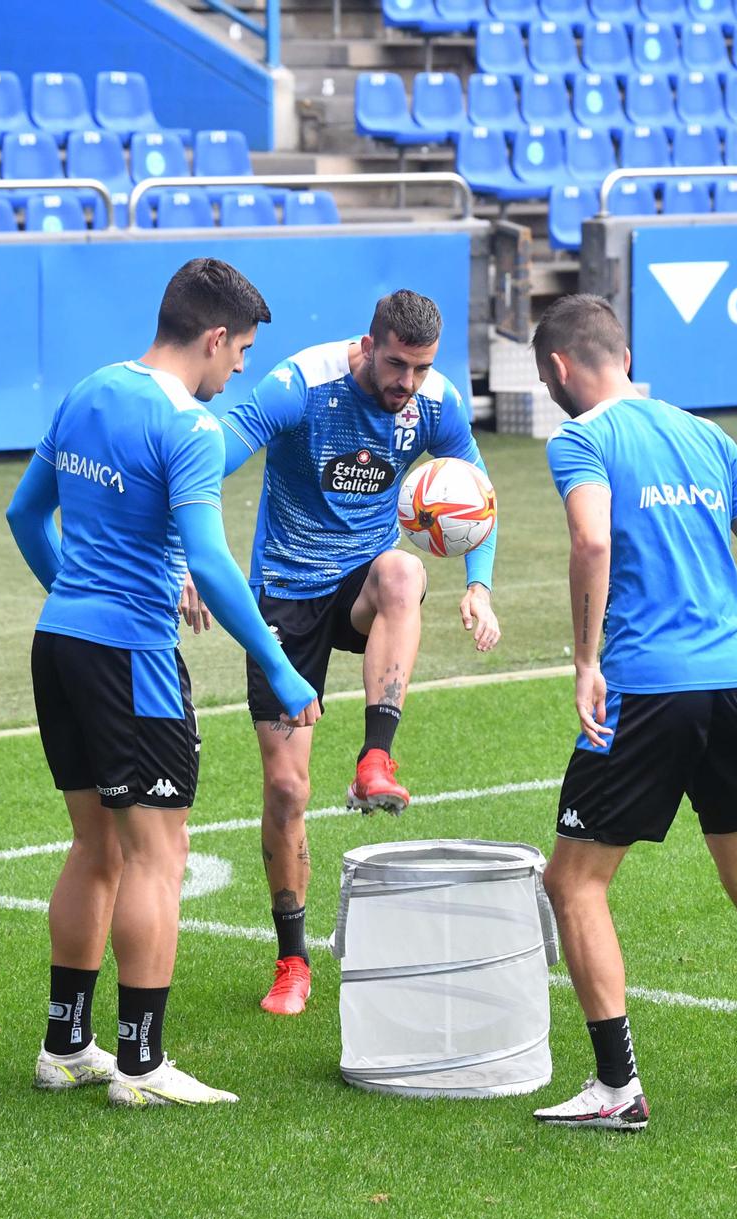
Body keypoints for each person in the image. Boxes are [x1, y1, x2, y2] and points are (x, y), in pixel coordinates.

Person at [4, 258, 321, 1109]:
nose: (243, 369)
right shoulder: (190, 429)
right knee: (158, 853)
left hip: (61, 643)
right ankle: (141, 1064)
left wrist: (79, 594)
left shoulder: (89, 390)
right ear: (214, 338)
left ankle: (67, 1045)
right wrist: (281, 666)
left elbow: (24, 515)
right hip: (132, 660)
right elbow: (213, 565)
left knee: (94, 847)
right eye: (243, 350)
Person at [525, 294, 737, 1133]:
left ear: (562, 368)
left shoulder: (580, 439)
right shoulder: (708, 436)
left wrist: (585, 661)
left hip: (645, 687)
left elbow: (593, 542)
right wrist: (730, 642)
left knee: (572, 881)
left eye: (548, 379)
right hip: (727, 682)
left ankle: (617, 1085)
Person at [212, 290, 501, 1018]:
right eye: (397, 364)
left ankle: (377, 757)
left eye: (421, 368)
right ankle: (292, 958)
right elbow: (212, 450)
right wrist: (178, 547)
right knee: (286, 790)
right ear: (367, 344)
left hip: (360, 581)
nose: (408, 382)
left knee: (405, 570)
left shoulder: (433, 402)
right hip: (282, 592)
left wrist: (480, 585)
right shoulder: (304, 385)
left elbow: (477, 490)